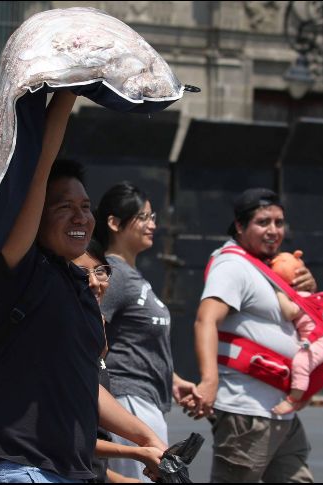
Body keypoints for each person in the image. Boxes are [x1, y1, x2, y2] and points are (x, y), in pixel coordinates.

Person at [0, 91, 165, 484]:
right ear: (34, 212)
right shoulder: (17, 272)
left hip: (67, 471)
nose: (80, 216)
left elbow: (83, 384)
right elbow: (36, 174)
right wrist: (68, 94)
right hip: (18, 469)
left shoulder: (80, 284)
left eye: (86, 206)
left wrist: (146, 439)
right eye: (63, 206)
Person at [186, 188, 317, 483]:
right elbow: (205, 319)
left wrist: (307, 287)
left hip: (281, 413)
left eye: (279, 222)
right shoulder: (232, 266)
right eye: (263, 222)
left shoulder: (267, 268)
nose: (273, 231)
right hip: (245, 413)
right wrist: (209, 381)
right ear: (240, 226)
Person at [93, 182, 200, 482]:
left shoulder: (132, 275)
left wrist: (173, 380)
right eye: (144, 217)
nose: (152, 225)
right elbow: (90, 329)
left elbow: (136, 342)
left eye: (153, 217)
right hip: (127, 398)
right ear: (114, 223)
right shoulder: (111, 273)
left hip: (146, 398)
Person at [73, 240, 165, 483]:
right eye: (81, 274)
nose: (94, 282)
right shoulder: (60, 340)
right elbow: (63, 437)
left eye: (99, 271)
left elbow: (93, 393)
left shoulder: (96, 334)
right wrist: (139, 451)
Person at [268, 251, 323, 416]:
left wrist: (279, 291)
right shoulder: (304, 294)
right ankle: (304, 396)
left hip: (318, 340)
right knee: (308, 368)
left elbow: (290, 312)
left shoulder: (301, 296)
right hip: (320, 339)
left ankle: (292, 400)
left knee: (301, 363)